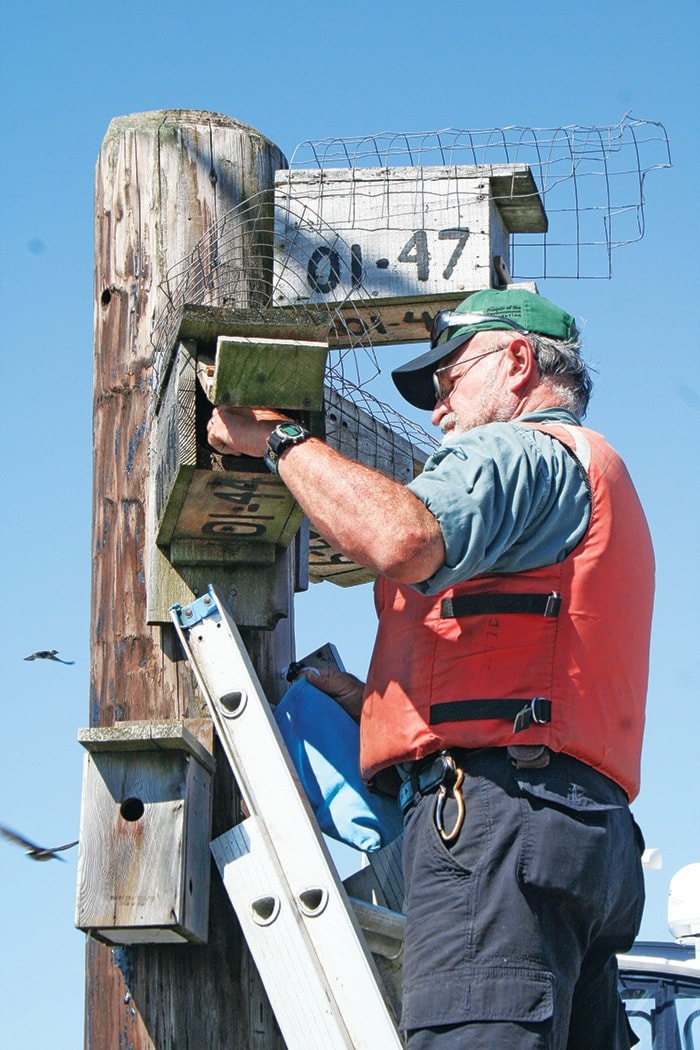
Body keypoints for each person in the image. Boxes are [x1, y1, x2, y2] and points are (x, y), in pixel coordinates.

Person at [206, 287, 654, 1049]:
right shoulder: (598, 476)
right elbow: (528, 670)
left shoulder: (516, 450)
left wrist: (277, 441)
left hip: (498, 827)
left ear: (517, 361)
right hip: (587, 838)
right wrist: (378, 711)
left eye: (449, 377)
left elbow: (401, 539)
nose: (436, 407)